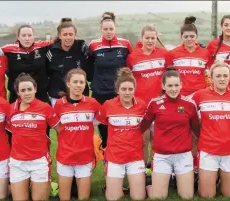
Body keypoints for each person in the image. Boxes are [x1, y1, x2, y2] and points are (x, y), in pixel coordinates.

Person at [141, 67, 200, 199]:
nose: (173, 89)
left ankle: (177, 180)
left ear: (181, 85)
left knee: (187, 196)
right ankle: (150, 186)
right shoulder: (154, 104)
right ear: (163, 86)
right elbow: (142, 127)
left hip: (183, 155)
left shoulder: (190, 105)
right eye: (170, 85)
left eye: (176, 85)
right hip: (162, 156)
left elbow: (197, 130)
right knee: (158, 197)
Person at [96, 68, 147, 200]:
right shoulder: (108, 105)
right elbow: (95, 122)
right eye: (123, 89)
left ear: (134, 90)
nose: (127, 92)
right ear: (117, 90)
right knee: (113, 198)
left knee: (138, 197)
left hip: (135, 156)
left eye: (130, 89)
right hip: (114, 157)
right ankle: (114, 187)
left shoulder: (141, 105)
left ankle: (149, 185)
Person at [7, 73, 59, 201]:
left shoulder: (45, 108)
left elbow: (60, 130)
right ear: (18, 93)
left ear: (35, 89)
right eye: (23, 90)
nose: (27, 93)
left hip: (39, 160)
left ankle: (48, 184)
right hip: (17, 161)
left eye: (29, 89)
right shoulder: (10, 110)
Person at [191, 61, 230, 198]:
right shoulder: (200, 95)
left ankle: (218, 179)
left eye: (225, 75)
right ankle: (208, 179)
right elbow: (188, 115)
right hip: (208, 149)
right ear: (211, 78)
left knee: (229, 194)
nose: (222, 79)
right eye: (218, 76)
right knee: (207, 195)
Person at [53, 68, 101, 201]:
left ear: (85, 84)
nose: (78, 85)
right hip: (65, 156)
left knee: (84, 198)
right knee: (64, 198)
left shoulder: (92, 103)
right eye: (75, 82)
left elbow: (101, 119)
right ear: (68, 84)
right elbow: (57, 128)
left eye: (82, 82)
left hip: (85, 157)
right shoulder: (58, 104)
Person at [88, 16, 133, 151]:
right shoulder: (93, 46)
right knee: (103, 126)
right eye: (105, 29)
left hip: (118, 92)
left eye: (111, 29)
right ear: (101, 29)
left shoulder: (125, 44)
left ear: (115, 29)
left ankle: (122, 152)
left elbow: (131, 63)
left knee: (119, 125)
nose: (108, 31)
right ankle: (107, 155)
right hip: (100, 92)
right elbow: (89, 66)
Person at [127, 24, 167, 167]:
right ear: (142, 38)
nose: (150, 41)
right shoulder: (132, 57)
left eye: (153, 38)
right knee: (143, 140)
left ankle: (157, 169)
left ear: (157, 38)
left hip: (159, 103)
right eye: (147, 38)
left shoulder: (164, 54)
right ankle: (143, 170)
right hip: (141, 104)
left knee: (157, 140)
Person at [1, 24, 53, 104]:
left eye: (29, 35)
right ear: (18, 37)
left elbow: (61, 41)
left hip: (40, 96)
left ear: (34, 36)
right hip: (17, 97)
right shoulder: (8, 50)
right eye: (23, 35)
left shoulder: (42, 47)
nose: (27, 38)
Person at [46, 18, 90, 107]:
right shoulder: (51, 51)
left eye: (71, 34)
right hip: (58, 97)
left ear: (75, 35)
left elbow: (88, 72)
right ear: (60, 35)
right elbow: (47, 73)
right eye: (65, 34)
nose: (68, 37)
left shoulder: (82, 49)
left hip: (80, 97)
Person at [165, 16, 210, 99]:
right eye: (186, 37)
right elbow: (168, 75)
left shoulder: (205, 53)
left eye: (192, 36)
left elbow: (211, 73)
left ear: (196, 36)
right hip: (179, 95)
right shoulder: (172, 53)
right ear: (181, 37)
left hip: (199, 95)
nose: (189, 39)